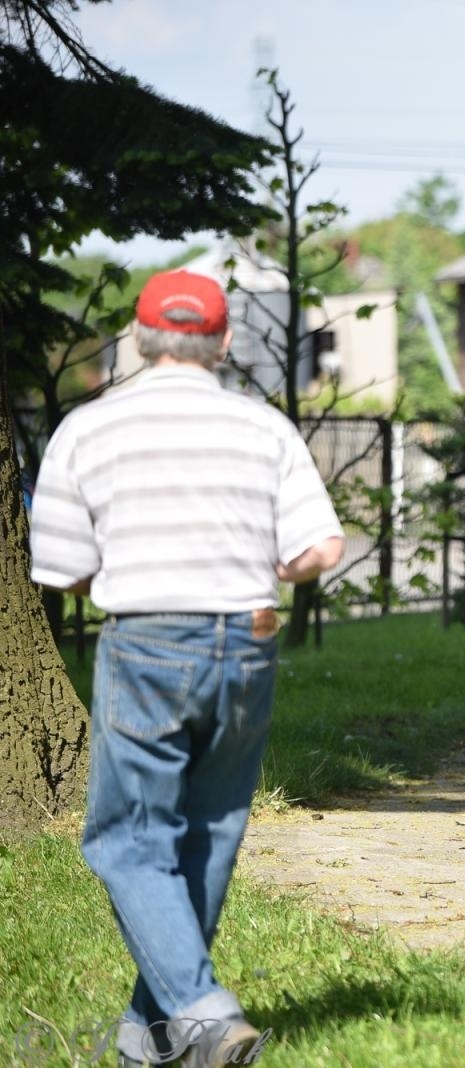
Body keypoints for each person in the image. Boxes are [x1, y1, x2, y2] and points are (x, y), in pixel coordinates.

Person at [29, 270, 345, 1067]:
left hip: (146, 642)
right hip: (246, 640)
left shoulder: (87, 429)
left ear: (138, 340)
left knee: (128, 841)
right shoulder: (263, 427)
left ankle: (203, 1011)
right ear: (225, 341)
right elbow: (320, 549)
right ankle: (149, 1037)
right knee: (207, 834)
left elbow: (60, 568)